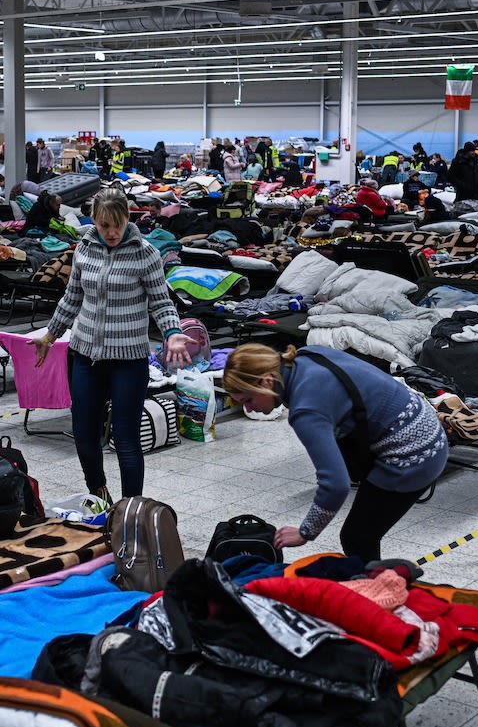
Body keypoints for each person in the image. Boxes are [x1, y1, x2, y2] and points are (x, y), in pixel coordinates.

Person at [33, 190, 191, 504]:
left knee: (126, 438)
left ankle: (131, 509)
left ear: (126, 219)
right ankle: (99, 494)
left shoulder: (144, 253)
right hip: (85, 355)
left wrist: (172, 332)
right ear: (94, 221)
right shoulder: (84, 249)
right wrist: (50, 335)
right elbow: (72, 299)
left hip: (128, 360)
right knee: (84, 434)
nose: (111, 232)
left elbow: (161, 303)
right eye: (104, 225)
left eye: (117, 224)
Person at [220, 344, 447, 562]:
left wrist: (305, 532)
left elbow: (336, 484)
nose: (248, 409)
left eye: (248, 400)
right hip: (428, 425)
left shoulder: (306, 409)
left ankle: (377, 594)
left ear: (267, 381)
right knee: (362, 526)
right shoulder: (306, 355)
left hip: (414, 454)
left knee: (357, 537)